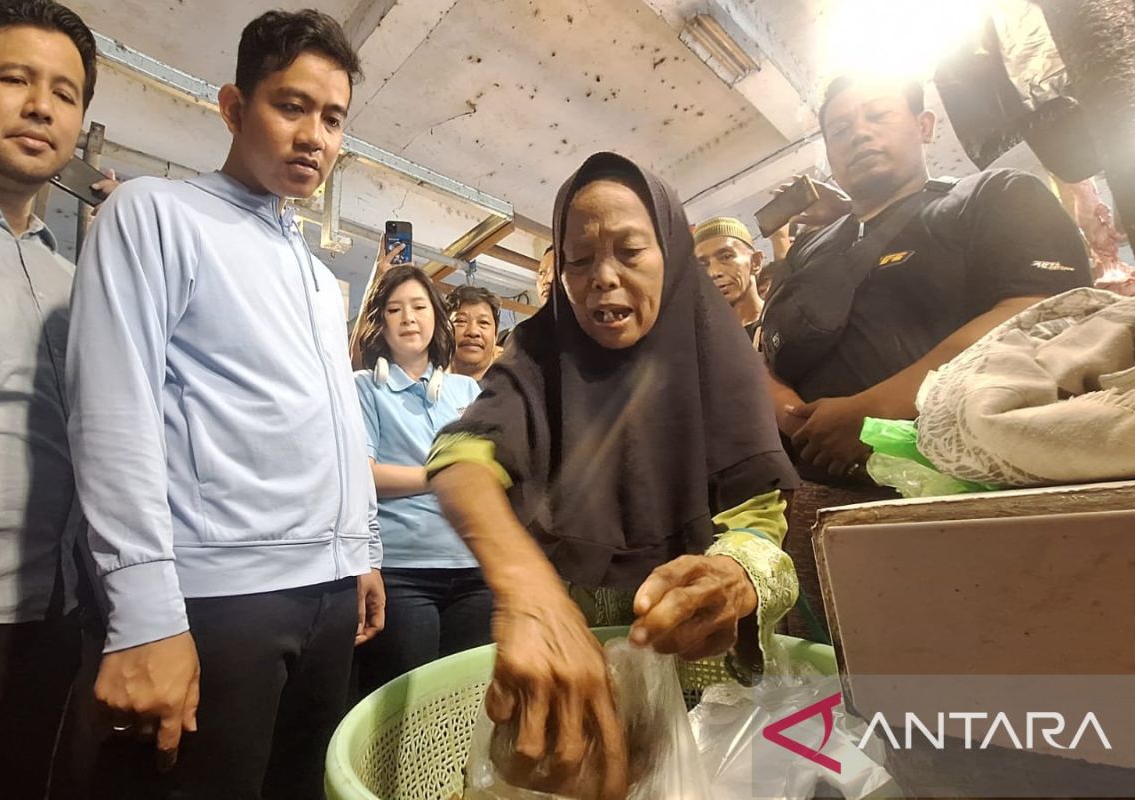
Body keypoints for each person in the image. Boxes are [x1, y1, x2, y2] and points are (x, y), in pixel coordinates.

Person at [64, 10, 384, 799]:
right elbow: (112, 409)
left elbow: (339, 422)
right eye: (292, 106)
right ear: (235, 108)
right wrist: (144, 611)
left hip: (331, 589)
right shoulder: (157, 213)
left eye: (334, 118)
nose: (315, 135)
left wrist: (362, 547)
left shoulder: (314, 273)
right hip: (220, 594)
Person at [427, 152, 799, 797]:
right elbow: (462, 456)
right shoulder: (540, 356)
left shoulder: (717, 355)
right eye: (578, 260)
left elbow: (760, 521)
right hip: (567, 676)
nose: (602, 278)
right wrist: (528, 590)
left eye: (630, 251)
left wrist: (736, 573)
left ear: (671, 254)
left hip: (705, 692)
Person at [760, 74, 1091, 640]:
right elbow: (761, 349)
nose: (858, 134)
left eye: (876, 115)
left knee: (974, 681)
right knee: (831, 692)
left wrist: (877, 411)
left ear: (924, 125)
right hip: (811, 510)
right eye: (840, 128)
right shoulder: (811, 248)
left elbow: (1042, 313)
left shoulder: (992, 197)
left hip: (960, 506)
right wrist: (790, 413)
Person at [0, 2, 98, 797]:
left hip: (53, 614)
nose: (43, 105)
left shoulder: (75, 283)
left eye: (65, 93)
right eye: (14, 79)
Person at [352, 266, 490, 696]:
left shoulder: (466, 391)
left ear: (436, 317)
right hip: (403, 571)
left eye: (419, 306)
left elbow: (486, 467)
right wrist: (442, 476)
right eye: (395, 309)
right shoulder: (363, 388)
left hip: (472, 568)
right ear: (381, 322)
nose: (408, 318)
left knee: (468, 699)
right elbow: (364, 475)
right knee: (406, 699)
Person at [693, 216, 765, 343]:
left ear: (755, 262)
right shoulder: (704, 343)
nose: (713, 272)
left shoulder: (783, 321)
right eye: (703, 265)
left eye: (726, 257)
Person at [446, 283, 501, 381]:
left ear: (495, 336)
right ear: (444, 331)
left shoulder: (514, 393)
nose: (473, 331)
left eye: (483, 322)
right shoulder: (423, 389)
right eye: (461, 321)